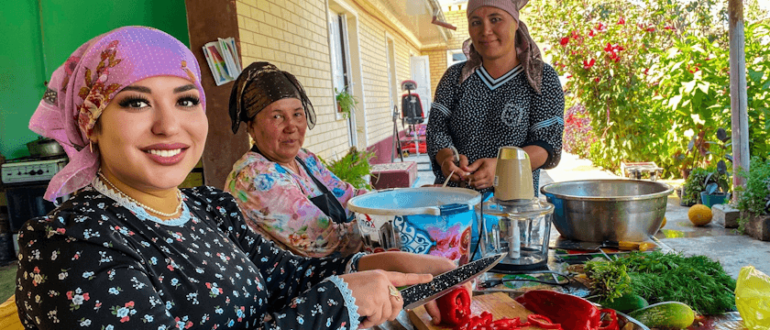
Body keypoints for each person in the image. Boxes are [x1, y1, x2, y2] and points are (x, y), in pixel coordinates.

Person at [16, 26, 456, 330]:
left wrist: (378, 266)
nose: (170, 126)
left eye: (186, 101)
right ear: (91, 122)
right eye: (136, 103)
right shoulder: (70, 245)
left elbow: (285, 277)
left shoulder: (209, 208)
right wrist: (338, 301)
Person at [225, 62, 365, 258]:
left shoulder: (304, 159)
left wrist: (393, 203)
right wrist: (390, 221)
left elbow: (351, 198)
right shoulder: (256, 177)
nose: (291, 126)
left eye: (297, 114)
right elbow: (328, 242)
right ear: (251, 128)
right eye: (277, 116)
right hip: (294, 285)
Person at [426, 0, 565, 195]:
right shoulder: (455, 78)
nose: (486, 30)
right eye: (476, 22)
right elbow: (437, 130)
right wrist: (447, 159)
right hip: (455, 207)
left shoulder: (539, 77)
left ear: (515, 23)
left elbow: (547, 145)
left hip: (512, 205)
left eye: (495, 19)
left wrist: (503, 167)